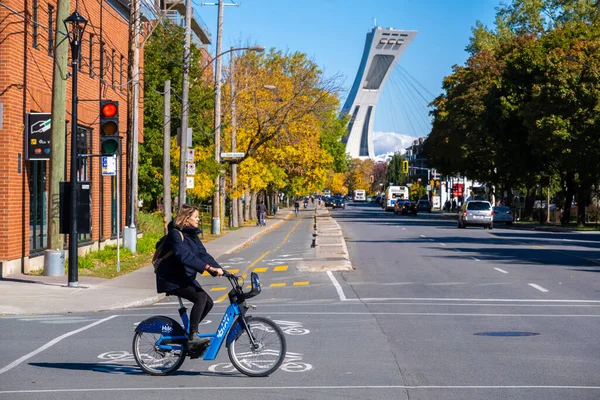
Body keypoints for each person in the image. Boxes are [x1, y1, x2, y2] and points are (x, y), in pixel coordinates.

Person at [155, 204, 224, 355]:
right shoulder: (175, 234)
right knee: (200, 297)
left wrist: (221, 270)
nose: (199, 219)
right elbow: (185, 256)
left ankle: (190, 334)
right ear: (186, 220)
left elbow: (202, 254)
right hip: (171, 279)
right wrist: (208, 268)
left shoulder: (192, 235)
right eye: (196, 217)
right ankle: (193, 337)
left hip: (183, 277)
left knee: (208, 302)